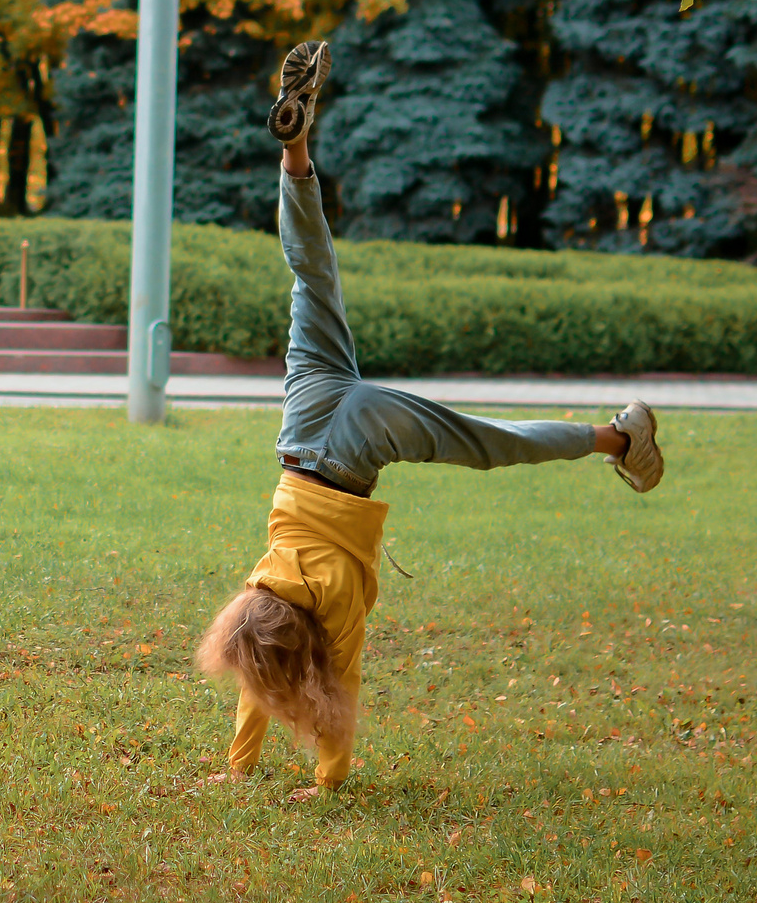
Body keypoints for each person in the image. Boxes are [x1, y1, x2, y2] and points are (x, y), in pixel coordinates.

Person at [195, 40, 664, 801]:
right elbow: (256, 660)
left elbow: (329, 678)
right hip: (306, 413)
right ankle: (297, 154)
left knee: (489, 443)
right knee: (312, 275)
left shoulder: (334, 598)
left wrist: (321, 777)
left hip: (354, 449)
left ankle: (619, 434)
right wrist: (237, 766)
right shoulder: (258, 590)